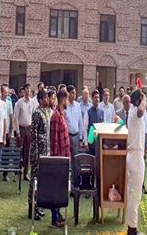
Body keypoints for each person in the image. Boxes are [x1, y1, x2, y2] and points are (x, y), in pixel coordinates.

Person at [28, 91, 57, 224]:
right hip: (37, 153)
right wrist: (35, 155)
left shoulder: (46, 113)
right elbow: (33, 136)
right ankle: (31, 208)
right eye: (45, 97)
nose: (47, 99)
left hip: (46, 152)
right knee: (34, 180)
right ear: (40, 100)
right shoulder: (37, 114)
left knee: (41, 181)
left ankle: (38, 205)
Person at [125, 89, 147, 235]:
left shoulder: (131, 112)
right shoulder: (136, 112)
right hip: (136, 156)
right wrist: (145, 99)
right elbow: (141, 111)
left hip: (133, 155)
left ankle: (131, 226)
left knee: (132, 194)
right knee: (135, 195)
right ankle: (132, 228)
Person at [50, 89, 70, 226]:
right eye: (67, 99)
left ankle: (58, 214)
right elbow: (54, 140)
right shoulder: (56, 116)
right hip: (58, 159)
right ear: (63, 99)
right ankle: (55, 217)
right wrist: (57, 160)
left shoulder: (62, 115)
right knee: (56, 188)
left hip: (64, 157)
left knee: (60, 188)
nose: (68, 102)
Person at [14, 83, 36, 181]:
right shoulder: (19, 102)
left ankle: (26, 173)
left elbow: (34, 116)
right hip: (21, 128)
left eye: (29, 89)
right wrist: (17, 131)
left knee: (27, 152)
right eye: (26, 89)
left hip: (29, 128)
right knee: (19, 151)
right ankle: (16, 171)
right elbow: (16, 117)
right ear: (24, 91)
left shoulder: (32, 103)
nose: (28, 91)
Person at [64, 85, 85, 186]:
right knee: (67, 160)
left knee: (75, 161)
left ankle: (74, 184)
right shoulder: (65, 106)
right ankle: (66, 183)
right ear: (68, 94)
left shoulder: (78, 105)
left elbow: (80, 122)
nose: (74, 94)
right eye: (72, 92)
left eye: (75, 92)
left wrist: (81, 138)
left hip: (76, 136)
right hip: (67, 136)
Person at [0, 84, 14, 182]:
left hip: (7, 130)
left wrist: (10, 131)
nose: (6, 94)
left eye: (7, 92)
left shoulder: (9, 103)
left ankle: (5, 173)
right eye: (5, 92)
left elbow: (11, 117)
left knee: (6, 152)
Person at [85, 90, 104, 156]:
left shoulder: (102, 112)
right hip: (91, 140)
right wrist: (86, 142)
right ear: (92, 98)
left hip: (99, 141)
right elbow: (85, 128)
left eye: (98, 97)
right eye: (95, 97)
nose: (97, 99)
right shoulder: (88, 112)